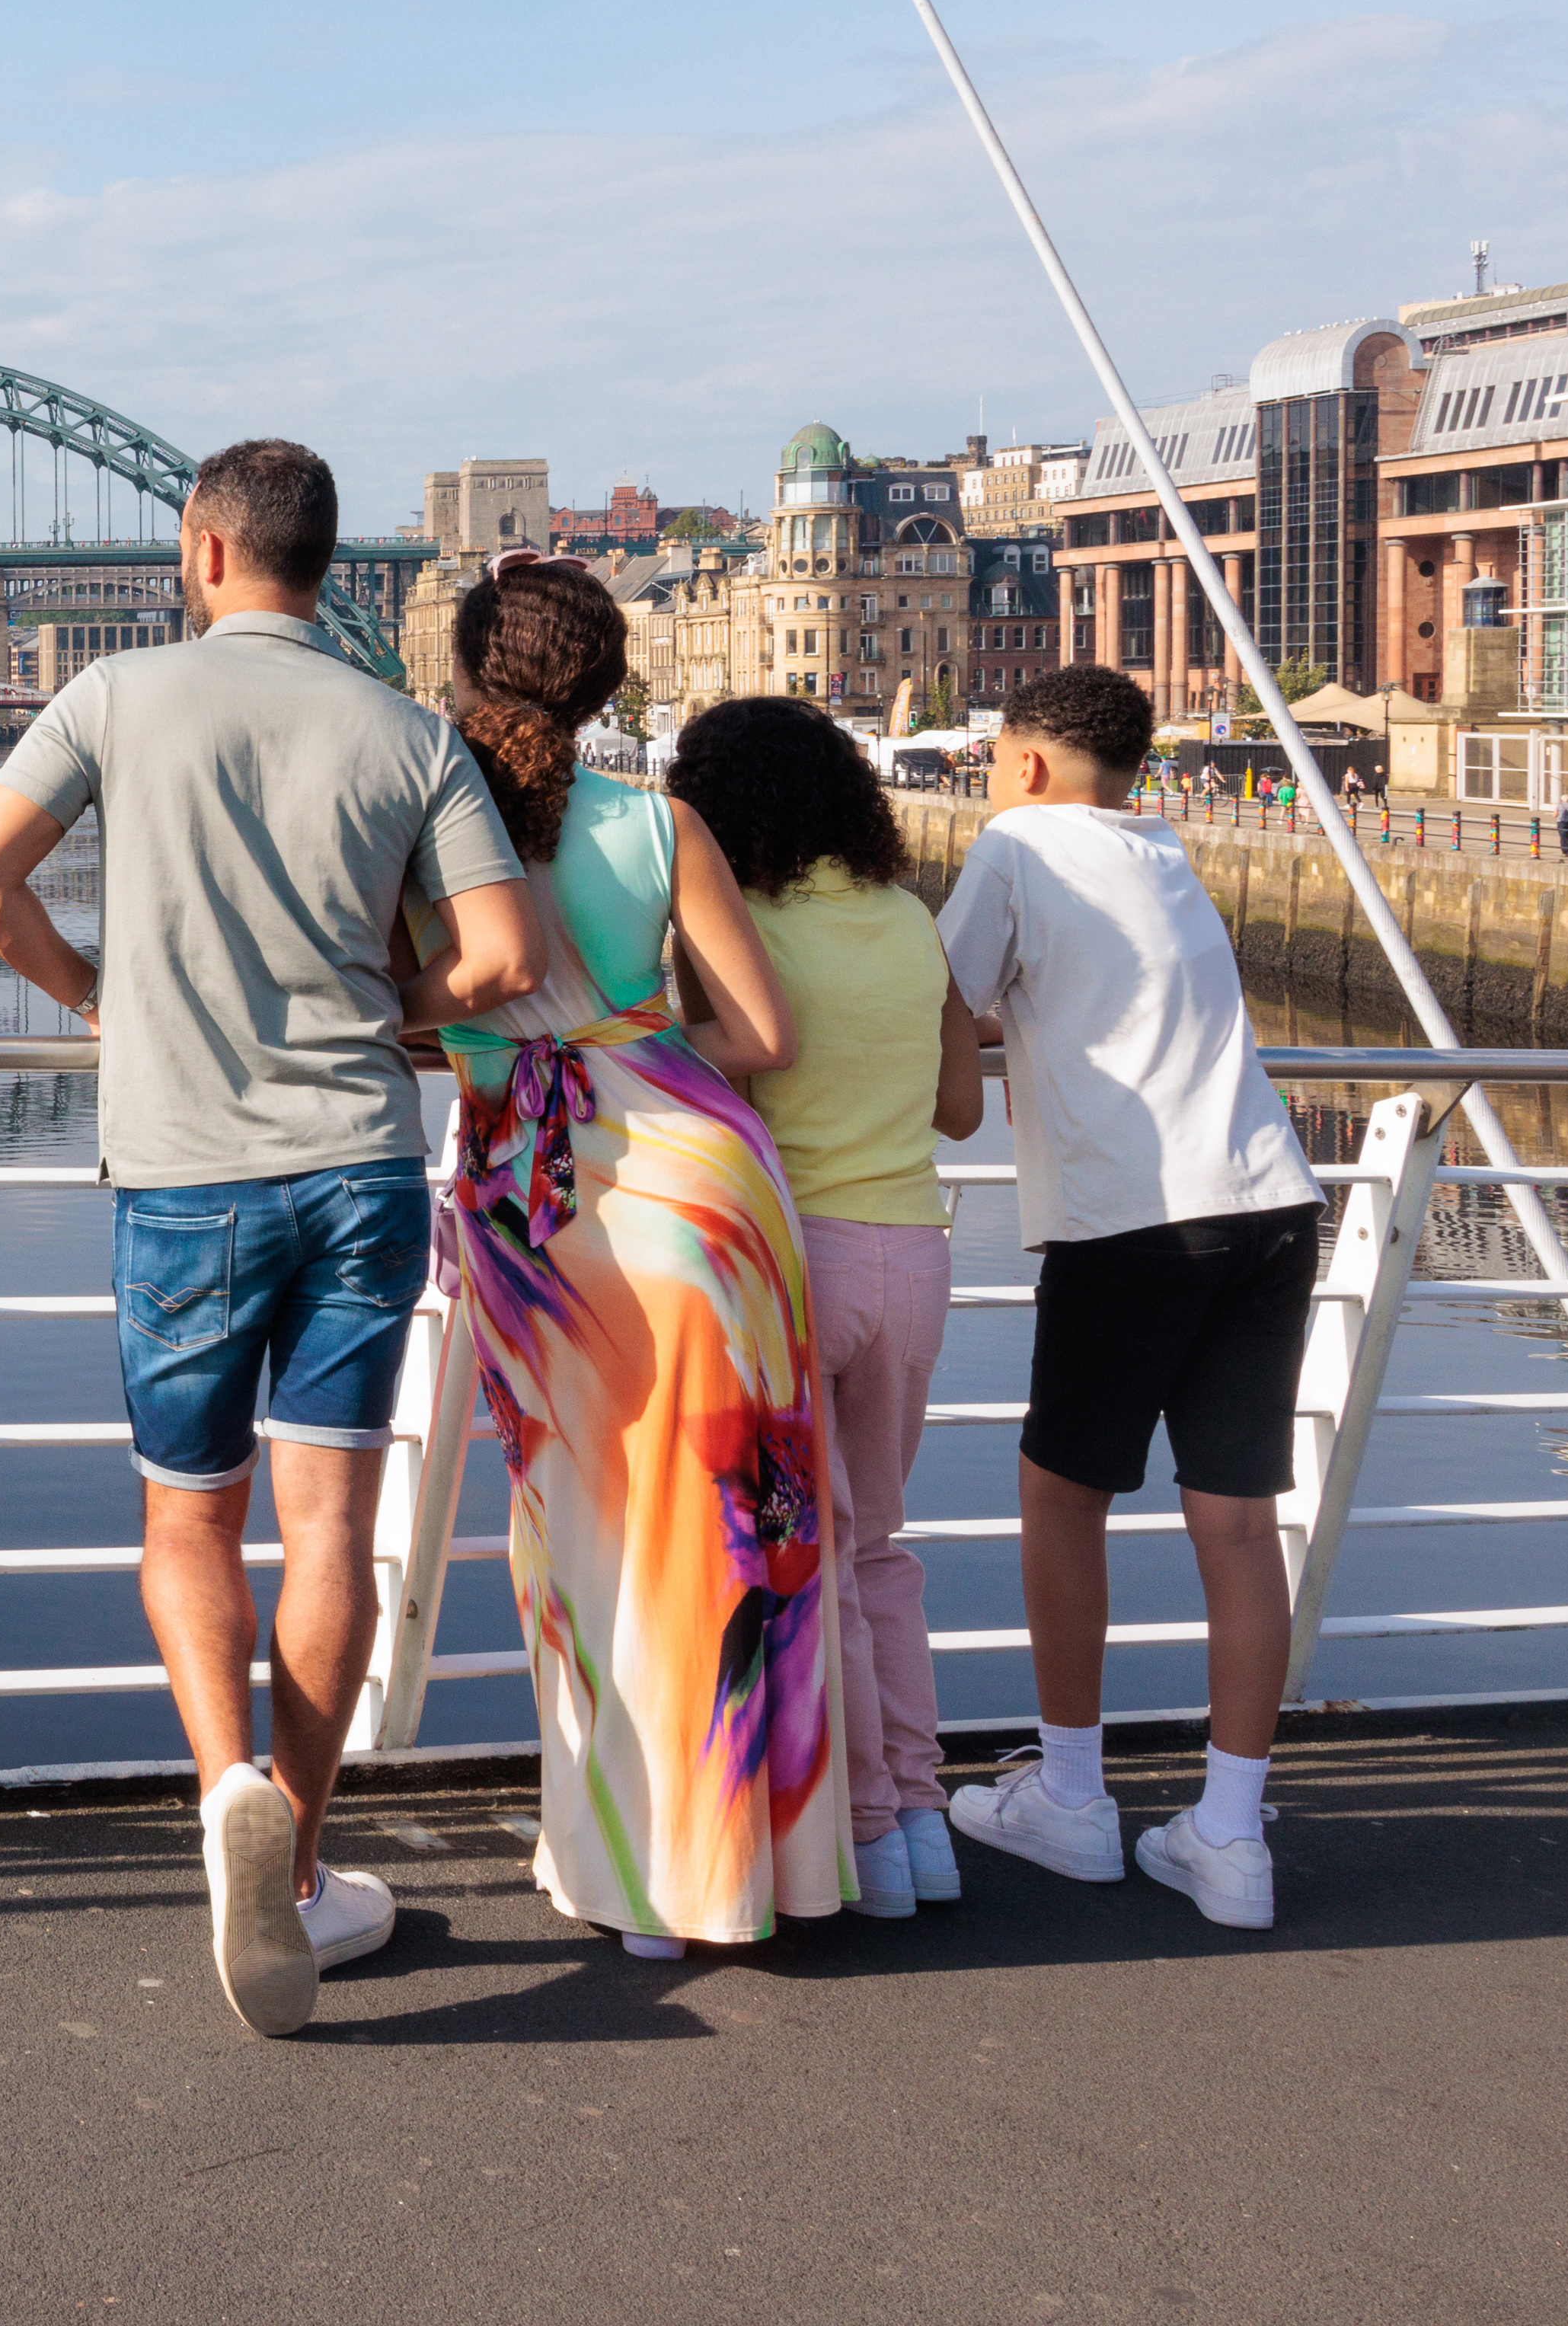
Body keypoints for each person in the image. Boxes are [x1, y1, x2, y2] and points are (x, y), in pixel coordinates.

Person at [0, 439, 545, 2037]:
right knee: (328, 1524)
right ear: (322, 564)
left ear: (205, 551)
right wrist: (387, 1006)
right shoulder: (407, 730)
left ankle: (224, 1792)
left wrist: (91, 994)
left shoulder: (114, 697)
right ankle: (299, 1866)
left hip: (180, 1174)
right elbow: (498, 956)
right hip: (356, 1165)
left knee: (186, 1520)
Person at [432, 560, 852, 1958]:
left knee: (585, 1532)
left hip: (543, 1213)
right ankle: (747, 1872)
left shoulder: (431, 835)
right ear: (609, 683)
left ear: (467, 676)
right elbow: (763, 1039)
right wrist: (624, 1052)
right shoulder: (660, 824)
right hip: (708, 1193)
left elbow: (408, 1016)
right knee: (739, 1537)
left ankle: (630, 1878)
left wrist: (511, 1054)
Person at [938, 664, 1323, 1928]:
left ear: (1031, 764)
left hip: (1132, 1215)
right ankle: (1228, 1836)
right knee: (1234, 1521)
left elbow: (938, 1001)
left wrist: (986, 1055)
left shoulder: (1013, 843)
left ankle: (1069, 1796)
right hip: (1267, 1197)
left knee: (1060, 1495)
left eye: (997, 759)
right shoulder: (1163, 850)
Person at [663, 696, 989, 1917]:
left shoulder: (732, 923)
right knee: (881, 1549)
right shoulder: (910, 920)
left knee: (817, 1562)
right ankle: (924, 1817)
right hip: (914, 1253)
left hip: (796, 1257)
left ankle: (865, 1840)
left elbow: (719, 1061)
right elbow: (960, 1111)